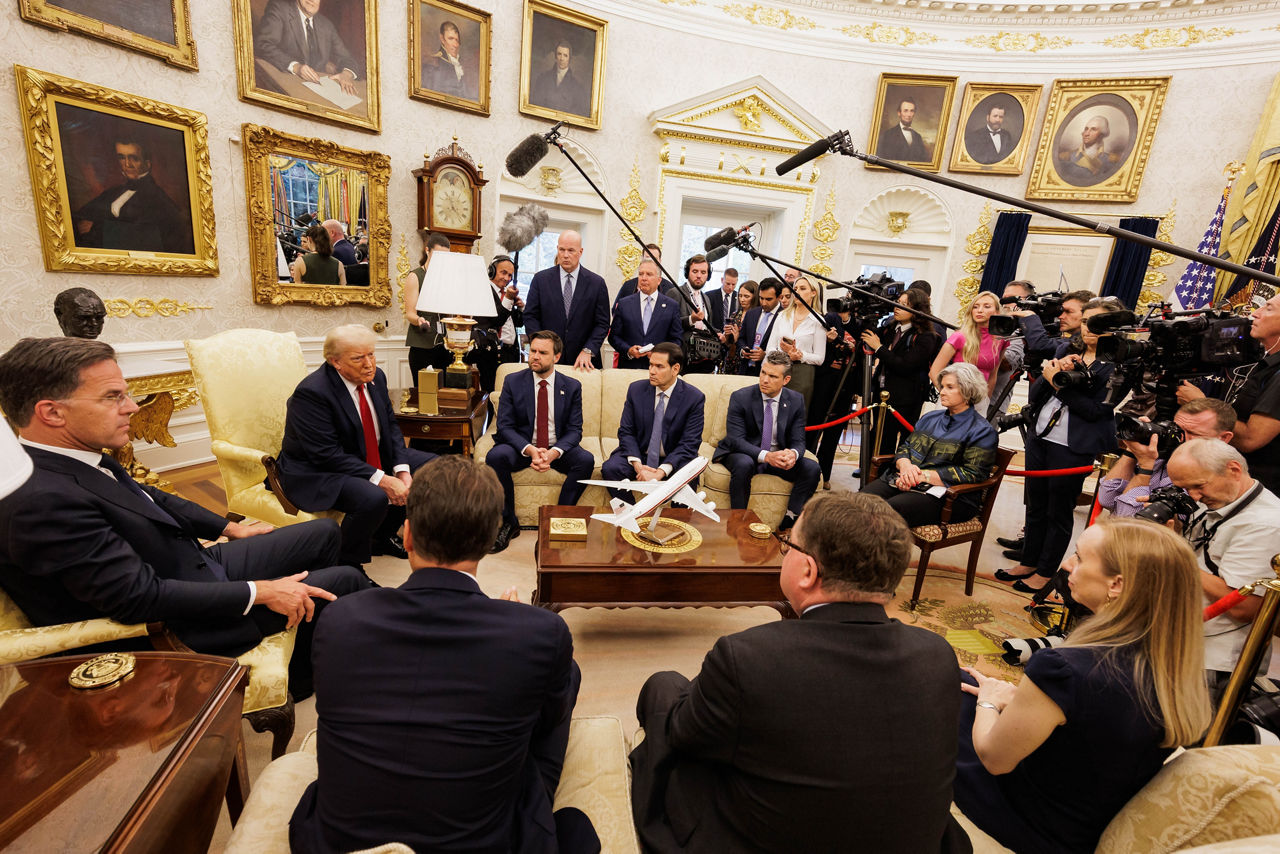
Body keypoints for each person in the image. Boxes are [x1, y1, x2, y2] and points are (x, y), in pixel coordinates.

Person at [0, 337, 368, 697]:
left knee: (322, 532)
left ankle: (304, 662)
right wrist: (262, 591)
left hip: (186, 564)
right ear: (51, 412)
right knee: (344, 579)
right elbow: (138, 597)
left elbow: (150, 497)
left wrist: (228, 527)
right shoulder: (43, 499)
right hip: (172, 625)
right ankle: (336, 660)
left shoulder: (73, 454)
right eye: (113, 397)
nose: (131, 407)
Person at [629, 491, 970, 854]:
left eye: (788, 543)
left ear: (807, 571)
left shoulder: (746, 657)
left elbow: (685, 736)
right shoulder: (938, 655)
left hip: (763, 838)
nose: (784, 551)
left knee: (664, 687)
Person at [288, 456, 599, 854]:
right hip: (488, 842)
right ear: (489, 542)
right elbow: (545, 721)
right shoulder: (542, 632)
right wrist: (513, 626)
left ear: (406, 536)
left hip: (339, 842)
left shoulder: (341, 617)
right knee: (561, 676)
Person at [957, 519, 1212, 854]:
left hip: (1023, 817)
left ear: (1117, 584)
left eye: (1078, 557)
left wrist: (990, 702)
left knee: (945, 684)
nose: (1066, 565)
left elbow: (994, 759)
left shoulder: (1064, 668)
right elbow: (1091, 724)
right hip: (1080, 822)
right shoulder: (1176, 665)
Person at [275, 325, 436, 567]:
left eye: (371, 354)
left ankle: (382, 536)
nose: (369, 364)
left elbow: (390, 426)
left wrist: (402, 471)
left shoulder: (376, 377)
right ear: (335, 362)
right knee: (372, 497)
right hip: (317, 470)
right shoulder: (312, 393)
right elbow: (326, 455)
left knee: (431, 467)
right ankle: (347, 563)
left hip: (361, 454)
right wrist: (382, 479)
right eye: (358, 358)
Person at [998, 297, 1121, 593]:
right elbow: (1037, 392)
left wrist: (1058, 383)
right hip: (1041, 435)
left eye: (1097, 322)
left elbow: (1095, 411)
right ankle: (1028, 561)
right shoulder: (1067, 347)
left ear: (1114, 327)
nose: (1088, 327)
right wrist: (1053, 371)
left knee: (1059, 511)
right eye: (1087, 320)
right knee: (1036, 504)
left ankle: (1045, 571)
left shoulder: (1117, 364)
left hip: (1074, 445)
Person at [1166, 438, 1280, 695]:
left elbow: (1244, 606)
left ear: (1234, 469)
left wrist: (1172, 550)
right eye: (1185, 489)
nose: (1194, 497)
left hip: (1214, 662)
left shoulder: (1266, 524)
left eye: (1198, 486)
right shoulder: (1220, 501)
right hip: (1185, 644)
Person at [486, 331, 594, 553]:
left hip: (556, 447)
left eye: (542, 352)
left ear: (556, 357)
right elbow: (505, 426)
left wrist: (554, 453)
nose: (534, 356)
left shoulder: (571, 386)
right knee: (495, 456)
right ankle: (509, 522)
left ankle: (559, 519)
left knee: (585, 460)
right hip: (523, 447)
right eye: (532, 350)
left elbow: (575, 431)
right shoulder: (513, 381)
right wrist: (531, 450)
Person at [863, 363, 998, 527]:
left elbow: (973, 473)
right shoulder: (930, 417)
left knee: (891, 511)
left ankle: (877, 551)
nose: (942, 392)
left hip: (951, 497)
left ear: (968, 391)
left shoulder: (982, 431)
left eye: (950, 387)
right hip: (906, 479)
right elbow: (906, 447)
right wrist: (905, 467)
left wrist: (920, 476)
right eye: (942, 386)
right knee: (860, 501)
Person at [1178, 291, 1280, 496]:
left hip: (1260, 493)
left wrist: (1202, 404)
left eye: (1268, 308)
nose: (1256, 313)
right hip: (1235, 484)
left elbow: (1251, 439)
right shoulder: (1262, 362)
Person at [715, 351, 820, 530]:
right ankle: (737, 522)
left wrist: (792, 454)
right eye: (763, 373)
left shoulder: (795, 400)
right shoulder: (741, 397)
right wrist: (766, 456)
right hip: (743, 452)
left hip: (775, 457)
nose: (764, 379)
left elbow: (799, 440)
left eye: (772, 376)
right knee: (744, 464)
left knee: (812, 468)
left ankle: (789, 522)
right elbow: (735, 439)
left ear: (785, 380)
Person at [1097, 398, 1238, 518]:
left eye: (1192, 433)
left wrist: (1146, 467)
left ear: (1224, 438)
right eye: (1176, 429)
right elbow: (1107, 498)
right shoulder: (1162, 457)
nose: (1179, 438)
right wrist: (1132, 450)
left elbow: (1128, 519)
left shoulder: (1211, 480)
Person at [600, 343, 705, 502]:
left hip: (673, 457)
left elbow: (690, 443)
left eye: (659, 366)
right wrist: (638, 466)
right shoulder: (636, 390)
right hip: (641, 454)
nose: (652, 371)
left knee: (688, 475)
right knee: (611, 469)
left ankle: (678, 523)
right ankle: (634, 514)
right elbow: (626, 432)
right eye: (651, 365)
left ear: (675, 369)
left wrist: (660, 472)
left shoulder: (694, 398)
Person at [73, 138, 192, 254]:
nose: (127, 164)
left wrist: (97, 227)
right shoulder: (113, 192)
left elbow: (149, 238)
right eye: (121, 157)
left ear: (147, 164)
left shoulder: (158, 199)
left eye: (134, 158)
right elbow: (82, 215)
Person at [863, 287, 941, 456]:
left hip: (905, 397)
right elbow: (867, 337)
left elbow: (905, 365)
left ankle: (890, 476)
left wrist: (879, 348)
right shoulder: (890, 328)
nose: (897, 307)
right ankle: (871, 472)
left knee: (896, 442)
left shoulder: (926, 336)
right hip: (881, 393)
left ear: (917, 309)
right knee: (877, 436)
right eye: (897, 303)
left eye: (904, 305)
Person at [524, 230, 610, 371]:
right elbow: (530, 316)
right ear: (557, 249)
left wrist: (588, 350)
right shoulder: (540, 280)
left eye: (571, 250)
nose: (565, 255)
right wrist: (541, 347)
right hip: (547, 360)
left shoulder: (597, 283)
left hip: (583, 362)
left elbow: (602, 323)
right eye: (562, 249)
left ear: (580, 252)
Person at [255, 0, 360, 97]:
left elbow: (347, 58)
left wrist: (346, 74)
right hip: (286, 86)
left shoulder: (326, 25)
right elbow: (263, 44)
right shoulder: (279, 9)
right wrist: (296, 67)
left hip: (318, 92)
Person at [930, 290, 1006, 404]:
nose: (980, 310)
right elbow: (934, 371)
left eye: (987, 306)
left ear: (997, 311)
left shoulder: (1000, 340)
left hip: (980, 402)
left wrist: (985, 402)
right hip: (954, 401)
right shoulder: (959, 337)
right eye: (975, 307)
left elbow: (992, 376)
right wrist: (948, 394)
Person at [608, 258, 683, 369]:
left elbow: (676, 340)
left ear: (659, 280)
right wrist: (629, 350)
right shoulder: (624, 304)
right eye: (641, 274)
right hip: (629, 368)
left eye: (649, 274)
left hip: (659, 369)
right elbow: (613, 337)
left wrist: (660, 355)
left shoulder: (672, 306)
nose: (643, 278)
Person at [467, 254, 523, 393]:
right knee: (493, 393)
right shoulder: (483, 291)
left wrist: (521, 307)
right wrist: (509, 299)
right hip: (492, 354)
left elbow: (519, 323)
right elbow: (497, 320)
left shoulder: (507, 293)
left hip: (511, 353)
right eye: (503, 272)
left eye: (510, 275)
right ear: (491, 270)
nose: (507, 278)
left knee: (510, 394)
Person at [766, 276, 827, 403]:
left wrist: (800, 355)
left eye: (802, 288)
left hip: (802, 373)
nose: (797, 292)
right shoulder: (782, 316)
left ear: (813, 293)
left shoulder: (818, 321)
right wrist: (784, 355)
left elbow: (820, 358)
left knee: (795, 414)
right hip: (778, 368)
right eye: (795, 288)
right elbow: (770, 347)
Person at [401, 231, 452, 381]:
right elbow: (410, 313)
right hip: (422, 346)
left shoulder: (447, 278)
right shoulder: (415, 276)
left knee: (445, 393)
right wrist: (419, 320)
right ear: (427, 250)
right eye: (438, 255)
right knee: (424, 394)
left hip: (445, 346)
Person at [988, 279, 1034, 418]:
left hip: (993, 404)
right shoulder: (992, 324)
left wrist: (985, 343)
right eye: (1004, 298)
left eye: (1013, 299)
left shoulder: (1022, 332)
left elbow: (1007, 364)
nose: (1005, 303)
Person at [667, 254, 718, 373]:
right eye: (695, 271)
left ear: (708, 275)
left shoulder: (706, 298)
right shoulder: (675, 293)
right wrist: (691, 319)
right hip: (682, 358)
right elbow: (667, 324)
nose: (699, 275)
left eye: (703, 272)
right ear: (687, 272)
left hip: (704, 357)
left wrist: (719, 334)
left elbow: (707, 326)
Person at [1056, 115, 1122, 186]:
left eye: (1093, 129)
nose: (1086, 134)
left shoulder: (1114, 160)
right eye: (1086, 129)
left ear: (1102, 134)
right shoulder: (1065, 157)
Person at [735, 278, 782, 376]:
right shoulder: (752, 313)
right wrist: (743, 350)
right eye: (761, 298)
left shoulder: (785, 316)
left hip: (768, 372)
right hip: (745, 369)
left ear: (779, 297)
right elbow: (741, 338)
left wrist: (766, 355)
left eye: (768, 299)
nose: (764, 303)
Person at [530, 39, 589, 116]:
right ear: (555, 56)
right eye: (559, 54)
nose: (562, 58)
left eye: (565, 55)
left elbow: (578, 114)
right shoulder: (543, 79)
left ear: (569, 58)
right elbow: (535, 105)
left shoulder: (577, 87)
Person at [421, 19, 477, 101]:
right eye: (451, 39)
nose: (455, 45)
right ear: (442, 39)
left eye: (457, 40)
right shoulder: (432, 65)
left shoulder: (460, 66)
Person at [614, 244, 674, 312]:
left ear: (660, 261)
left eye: (654, 259)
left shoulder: (670, 289)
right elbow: (616, 310)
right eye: (647, 258)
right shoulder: (628, 286)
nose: (651, 262)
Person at [717, 279, 756, 376]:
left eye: (746, 296)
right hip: (730, 357)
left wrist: (738, 338)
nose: (742, 299)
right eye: (740, 296)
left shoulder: (757, 316)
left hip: (746, 360)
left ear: (754, 297)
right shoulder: (734, 315)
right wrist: (726, 335)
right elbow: (727, 343)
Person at [290, 222, 347, 286]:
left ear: (309, 239)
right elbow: (343, 289)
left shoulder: (300, 261)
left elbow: (297, 289)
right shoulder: (339, 264)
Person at [705, 267, 739, 334]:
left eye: (733, 284)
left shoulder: (739, 298)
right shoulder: (709, 296)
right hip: (713, 335)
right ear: (722, 280)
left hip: (731, 339)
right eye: (728, 284)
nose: (730, 287)